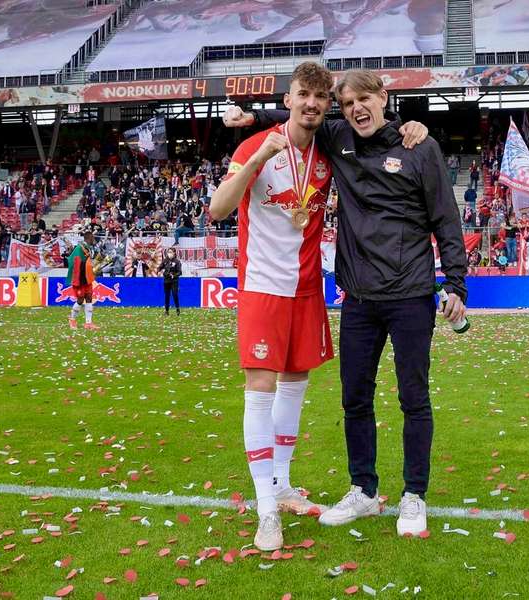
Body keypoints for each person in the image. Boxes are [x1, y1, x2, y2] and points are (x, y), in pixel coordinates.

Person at [225, 69, 465, 537]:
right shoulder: (338, 137)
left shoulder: (420, 147)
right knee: (354, 399)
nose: (356, 108)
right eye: (348, 101)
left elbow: (446, 220)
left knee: (413, 398)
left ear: (383, 98)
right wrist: (254, 114)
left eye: (365, 99)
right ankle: (364, 490)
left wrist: (455, 283)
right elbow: (301, 114)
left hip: (411, 294)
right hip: (358, 299)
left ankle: (414, 495)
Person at [209, 62, 339, 553]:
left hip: (307, 288)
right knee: (260, 389)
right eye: (304, 94)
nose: (311, 104)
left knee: (296, 385)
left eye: (320, 98)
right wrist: (259, 152)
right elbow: (220, 209)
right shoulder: (255, 147)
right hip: (262, 285)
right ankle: (266, 507)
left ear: (326, 105)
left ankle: (282, 485)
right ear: (289, 98)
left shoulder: (328, 152)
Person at [65, 229, 100, 330]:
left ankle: (88, 323)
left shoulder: (87, 248)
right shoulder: (80, 248)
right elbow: (74, 261)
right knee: (80, 300)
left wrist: (93, 268)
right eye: (93, 237)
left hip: (86, 277)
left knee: (89, 297)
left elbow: (88, 262)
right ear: (89, 238)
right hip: (79, 278)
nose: (94, 239)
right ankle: (72, 320)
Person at [162, 247, 181, 315]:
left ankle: (177, 309)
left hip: (174, 281)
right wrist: (158, 270)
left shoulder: (177, 262)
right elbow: (160, 267)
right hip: (166, 280)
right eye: (168, 252)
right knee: (167, 295)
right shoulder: (165, 260)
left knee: (174, 294)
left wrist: (174, 275)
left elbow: (180, 272)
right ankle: (166, 311)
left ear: (174, 253)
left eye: (170, 252)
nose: (169, 253)